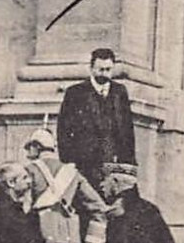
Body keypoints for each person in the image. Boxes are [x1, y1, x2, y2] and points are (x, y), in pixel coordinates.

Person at [56, 47, 136, 192]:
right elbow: (63, 130)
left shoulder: (120, 92)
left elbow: (127, 129)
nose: (104, 74)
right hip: (84, 164)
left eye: (108, 69)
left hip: (113, 164)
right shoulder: (76, 93)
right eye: (100, 69)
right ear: (91, 68)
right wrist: (69, 162)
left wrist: (129, 163)